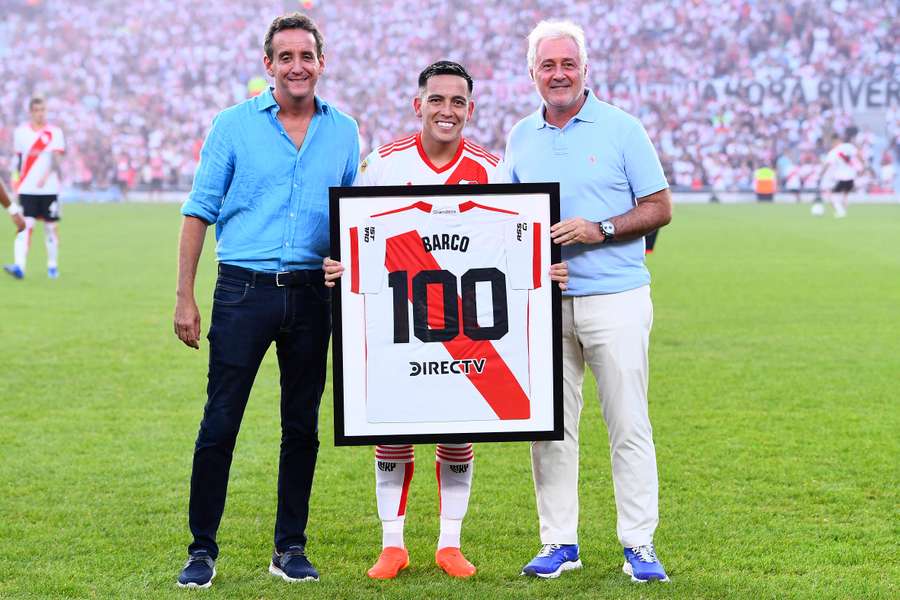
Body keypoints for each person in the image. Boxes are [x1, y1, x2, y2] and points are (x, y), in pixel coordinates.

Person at [323, 60, 567, 580]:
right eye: (437, 100)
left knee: (458, 429)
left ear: (471, 110)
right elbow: (355, 232)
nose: (447, 110)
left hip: (465, 320)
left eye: (458, 102)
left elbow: (511, 241)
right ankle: (393, 545)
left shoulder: (491, 169)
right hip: (398, 316)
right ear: (419, 105)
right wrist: (337, 263)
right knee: (392, 431)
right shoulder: (384, 164)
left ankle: (449, 544)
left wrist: (544, 274)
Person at [172, 13, 359, 589]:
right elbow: (199, 210)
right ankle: (202, 549)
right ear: (268, 65)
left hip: (311, 296)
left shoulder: (344, 130)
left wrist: (343, 261)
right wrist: (185, 297)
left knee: (301, 427)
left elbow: (350, 220)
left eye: (306, 56)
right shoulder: (232, 125)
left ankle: (289, 547)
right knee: (220, 422)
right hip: (242, 290)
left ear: (321, 63)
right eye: (285, 57)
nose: (297, 66)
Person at [504, 20, 672, 582]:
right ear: (533, 73)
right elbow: (509, 220)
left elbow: (658, 207)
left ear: (585, 69)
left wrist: (599, 229)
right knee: (550, 429)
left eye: (567, 64)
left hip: (616, 298)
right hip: (546, 304)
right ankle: (559, 542)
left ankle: (639, 544)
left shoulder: (622, 129)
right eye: (547, 66)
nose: (558, 74)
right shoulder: (521, 135)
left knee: (628, 423)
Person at [3, 97, 64, 280]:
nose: (40, 113)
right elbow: (18, 161)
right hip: (27, 189)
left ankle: (52, 266)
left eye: (43, 110)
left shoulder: (54, 132)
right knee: (24, 226)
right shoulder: (21, 133)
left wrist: (45, 177)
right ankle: (19, 266)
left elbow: (57, 158)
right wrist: (15, 183)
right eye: (37, 110)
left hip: (49, 189)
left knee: (50, 227)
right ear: (31, 112)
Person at [819, 128, 862, 218]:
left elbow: (827, 164)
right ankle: (844, 213)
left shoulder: (834, 151)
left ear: (834, 141)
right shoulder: (849, 146)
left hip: (841, 176)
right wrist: (862, 164)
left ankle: (841, 212)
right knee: (845, 195)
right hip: (851, 176)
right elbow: (858, 154)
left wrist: (821, 174)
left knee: (832, 195)